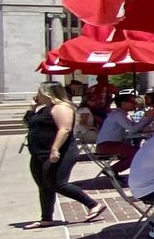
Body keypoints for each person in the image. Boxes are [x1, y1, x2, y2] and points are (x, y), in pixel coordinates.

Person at [22, 83, 104, 228]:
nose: (37, 95)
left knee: (57, 182)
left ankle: (94, 204)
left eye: (39, 92)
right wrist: (32, 108)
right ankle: (46, 217)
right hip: (39, 152)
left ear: (48, 93)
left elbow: (64, 129)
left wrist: (55, 149)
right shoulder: (43, 110)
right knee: (43, 185)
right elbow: (27, 123)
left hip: (61, 151)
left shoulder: (61, 108)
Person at [95, 93, 141, 171]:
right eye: (132, 102)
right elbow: (133, 129)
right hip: (106, 145)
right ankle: (112, 170)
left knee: (137, 151)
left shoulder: (119, 114)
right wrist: (147, 118)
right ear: (123, 103)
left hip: (109, 144)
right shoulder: (118, 115)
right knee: (139, 152)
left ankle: (113, 171)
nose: (135, 104)